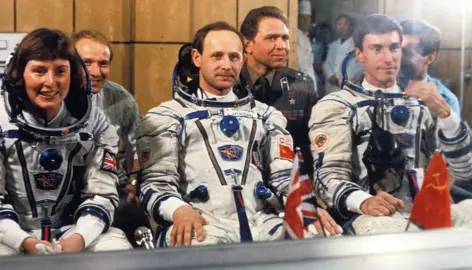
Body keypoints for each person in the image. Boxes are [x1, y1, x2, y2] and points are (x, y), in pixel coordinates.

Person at [308, 14, 472, 235]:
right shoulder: (338, 106)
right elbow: (327, 178)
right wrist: (364, 201)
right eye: (377, 49)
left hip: (425, 208)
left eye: (394, 48)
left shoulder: (425, 103)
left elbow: (464, 169)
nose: (388, 58)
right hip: (369, 213)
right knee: (395, 236)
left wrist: (446, 115)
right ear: (360, 55)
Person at [137, 21, 295, 247]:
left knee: (314, 236)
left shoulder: (266, 116)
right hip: (202, 220)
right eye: (217, 56)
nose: (226, 64)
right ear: (196, 58)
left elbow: (283, 178)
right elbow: (154, 184)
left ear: (243, 59)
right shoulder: (168, 117)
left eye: (234, 57)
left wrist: (303, 207)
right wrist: (179, 210)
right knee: (200, 246)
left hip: (260, 220)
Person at [0, 28, 132, 256]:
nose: (50, 82)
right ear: (18, 76)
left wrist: (80, 237)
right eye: (39, 71)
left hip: (71, 228)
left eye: (60, 71)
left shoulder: (95, 122)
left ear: (74, 76)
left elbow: (102, 193)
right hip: (8, 233)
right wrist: (23, 240)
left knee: (115, 249)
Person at [239, 6, 340, 236]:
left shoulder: (301, 85)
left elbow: (312, 148)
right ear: (248, 45)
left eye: (285, 38)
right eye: (272, 38)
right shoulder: (228, 85)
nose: (282, 45)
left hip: (289, 187)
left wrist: (310, 199)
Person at [72, 30, 148, 246]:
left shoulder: (119, 97)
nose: (96, 72)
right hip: (66, 192)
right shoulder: (54, 98)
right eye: (86, 62)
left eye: (103, 63)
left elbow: (140, 141)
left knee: (138, 225)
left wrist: (134, 181)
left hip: (112, 187)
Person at [400, 20, 461, 115]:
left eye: (408, 52)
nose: (399, 58)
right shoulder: (379, 89)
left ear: (430, 58)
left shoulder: (446, 100)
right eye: (395, 49)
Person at [323, 14, 361, 94]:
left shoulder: (355, 46)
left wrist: (340, 81)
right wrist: (331, 77)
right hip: (331, 89)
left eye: (345, 24)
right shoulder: (334, 45)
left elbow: (357, 70)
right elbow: (327, 65)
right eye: (339, 24)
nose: (342, 27)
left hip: (347, 90)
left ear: (350, 26)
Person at [297, 0, 318, 91]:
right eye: (302, 17)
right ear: (297, 18)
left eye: (308, 17)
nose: (306, 21)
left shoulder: (306, 38)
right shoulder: (295, 37)